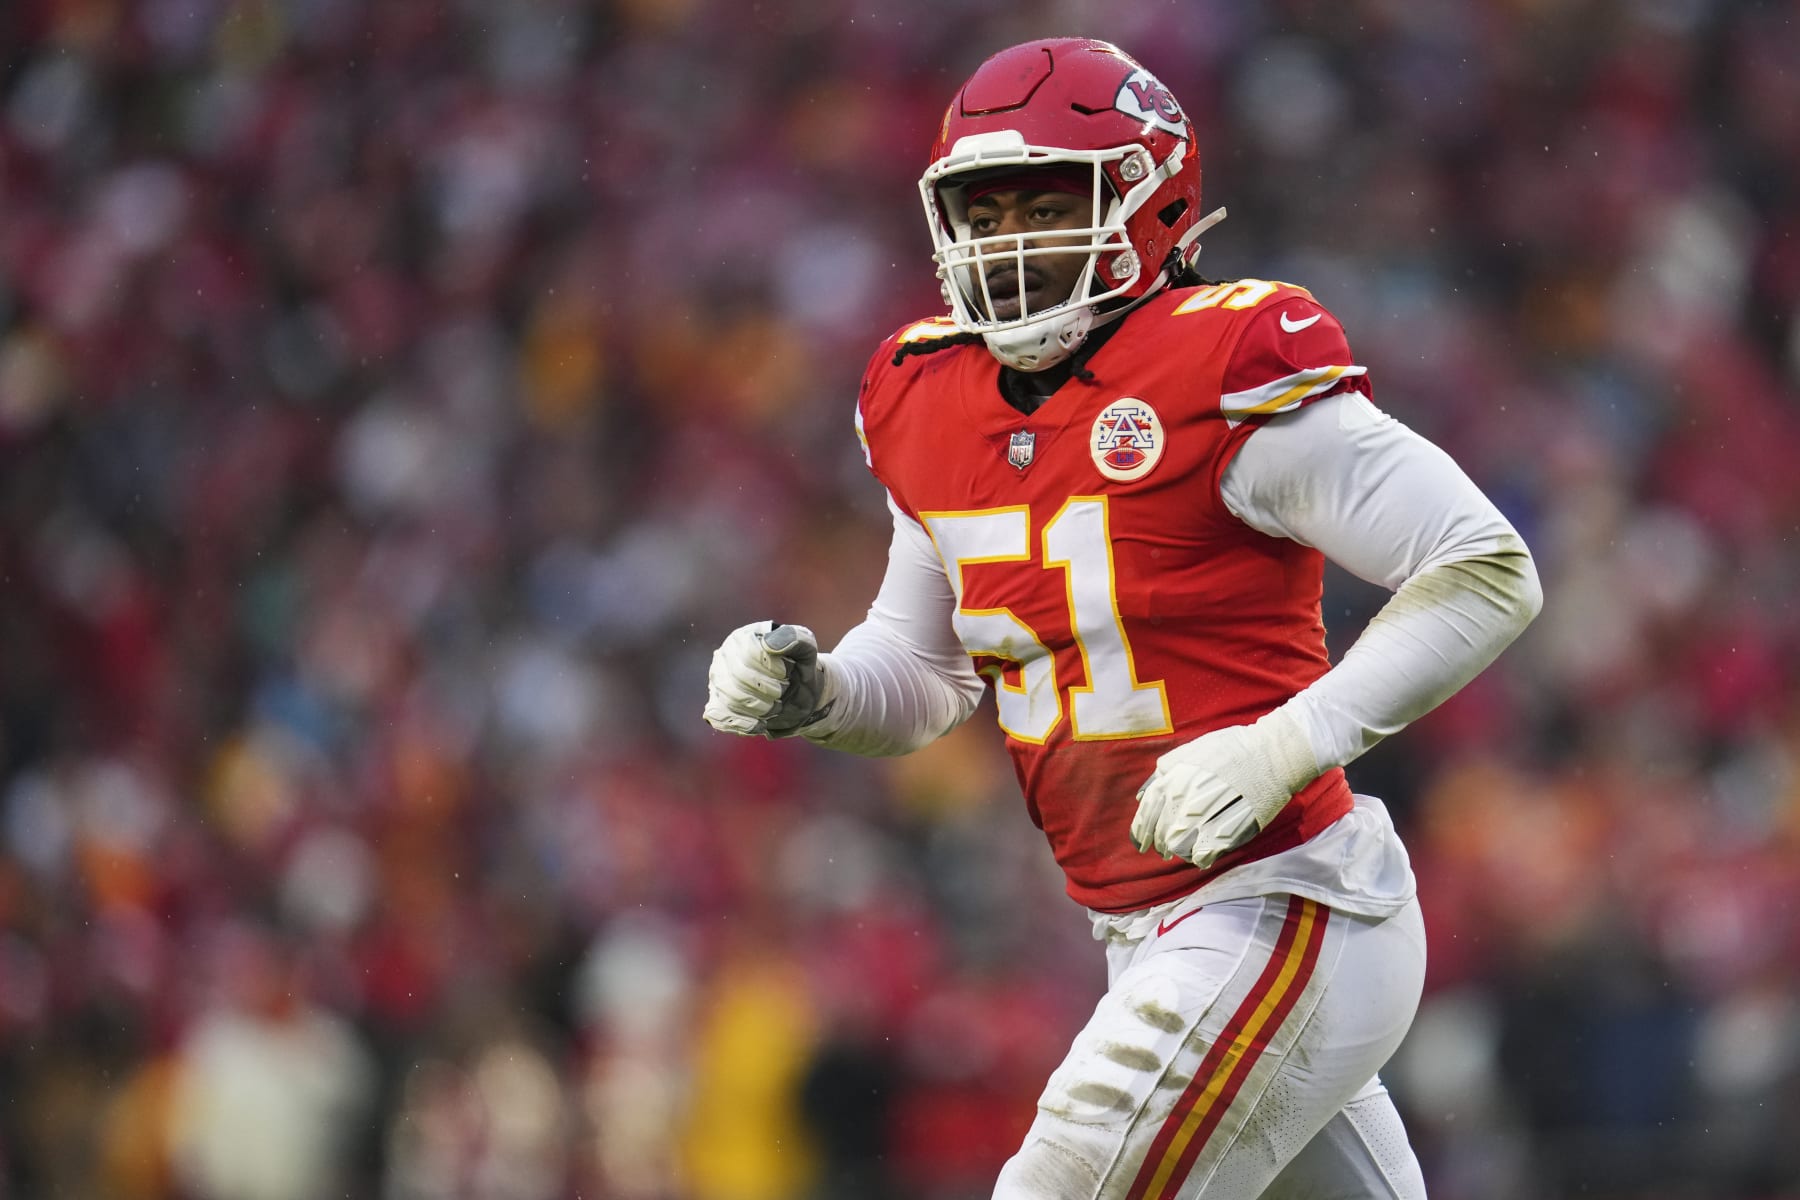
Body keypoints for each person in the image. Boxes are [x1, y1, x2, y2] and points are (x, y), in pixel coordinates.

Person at [704, 36, 1540, 1200]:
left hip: (1282, 904)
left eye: (1046, 204)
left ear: (1153, 199)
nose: (1006, 246)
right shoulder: (924, 392)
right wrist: (821, 696)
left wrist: (1290, 740)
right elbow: (925, 668)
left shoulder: (1223, 361)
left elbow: (1486, 567)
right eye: (980, 214)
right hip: (1152, 937)